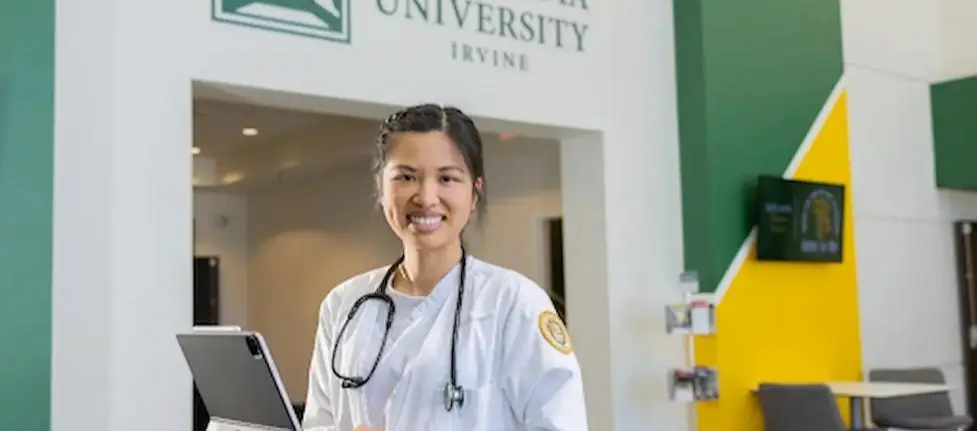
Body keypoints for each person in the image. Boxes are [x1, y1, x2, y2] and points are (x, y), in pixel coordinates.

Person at [301, 103, 589, 430]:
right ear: (381, 188)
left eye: (447, 178)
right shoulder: (343, 304)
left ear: (474, 193)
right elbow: (318, 423)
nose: (426, 197)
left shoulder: (514, 304)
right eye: (406, 177)